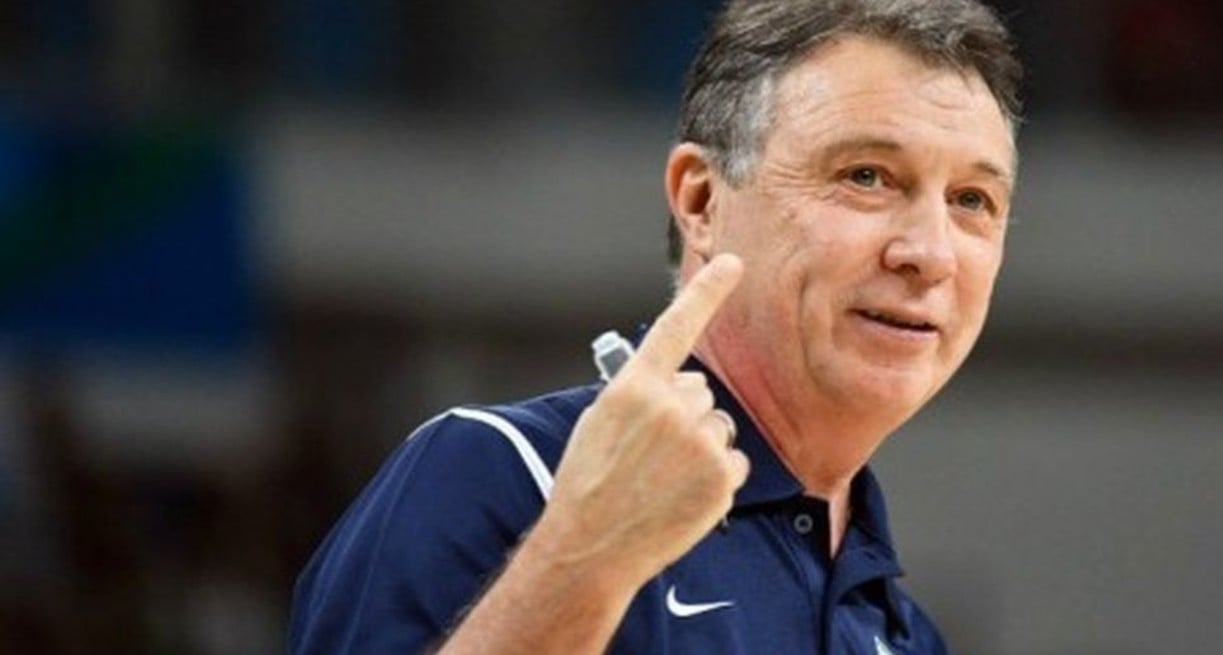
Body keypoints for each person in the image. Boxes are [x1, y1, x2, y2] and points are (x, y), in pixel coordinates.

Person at [288, 0, 1022, 652]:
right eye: (866, 176)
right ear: (701, 201)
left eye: (972, 200)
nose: (929, 253)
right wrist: (587, 557)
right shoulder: (503, 471)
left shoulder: (904, 635)